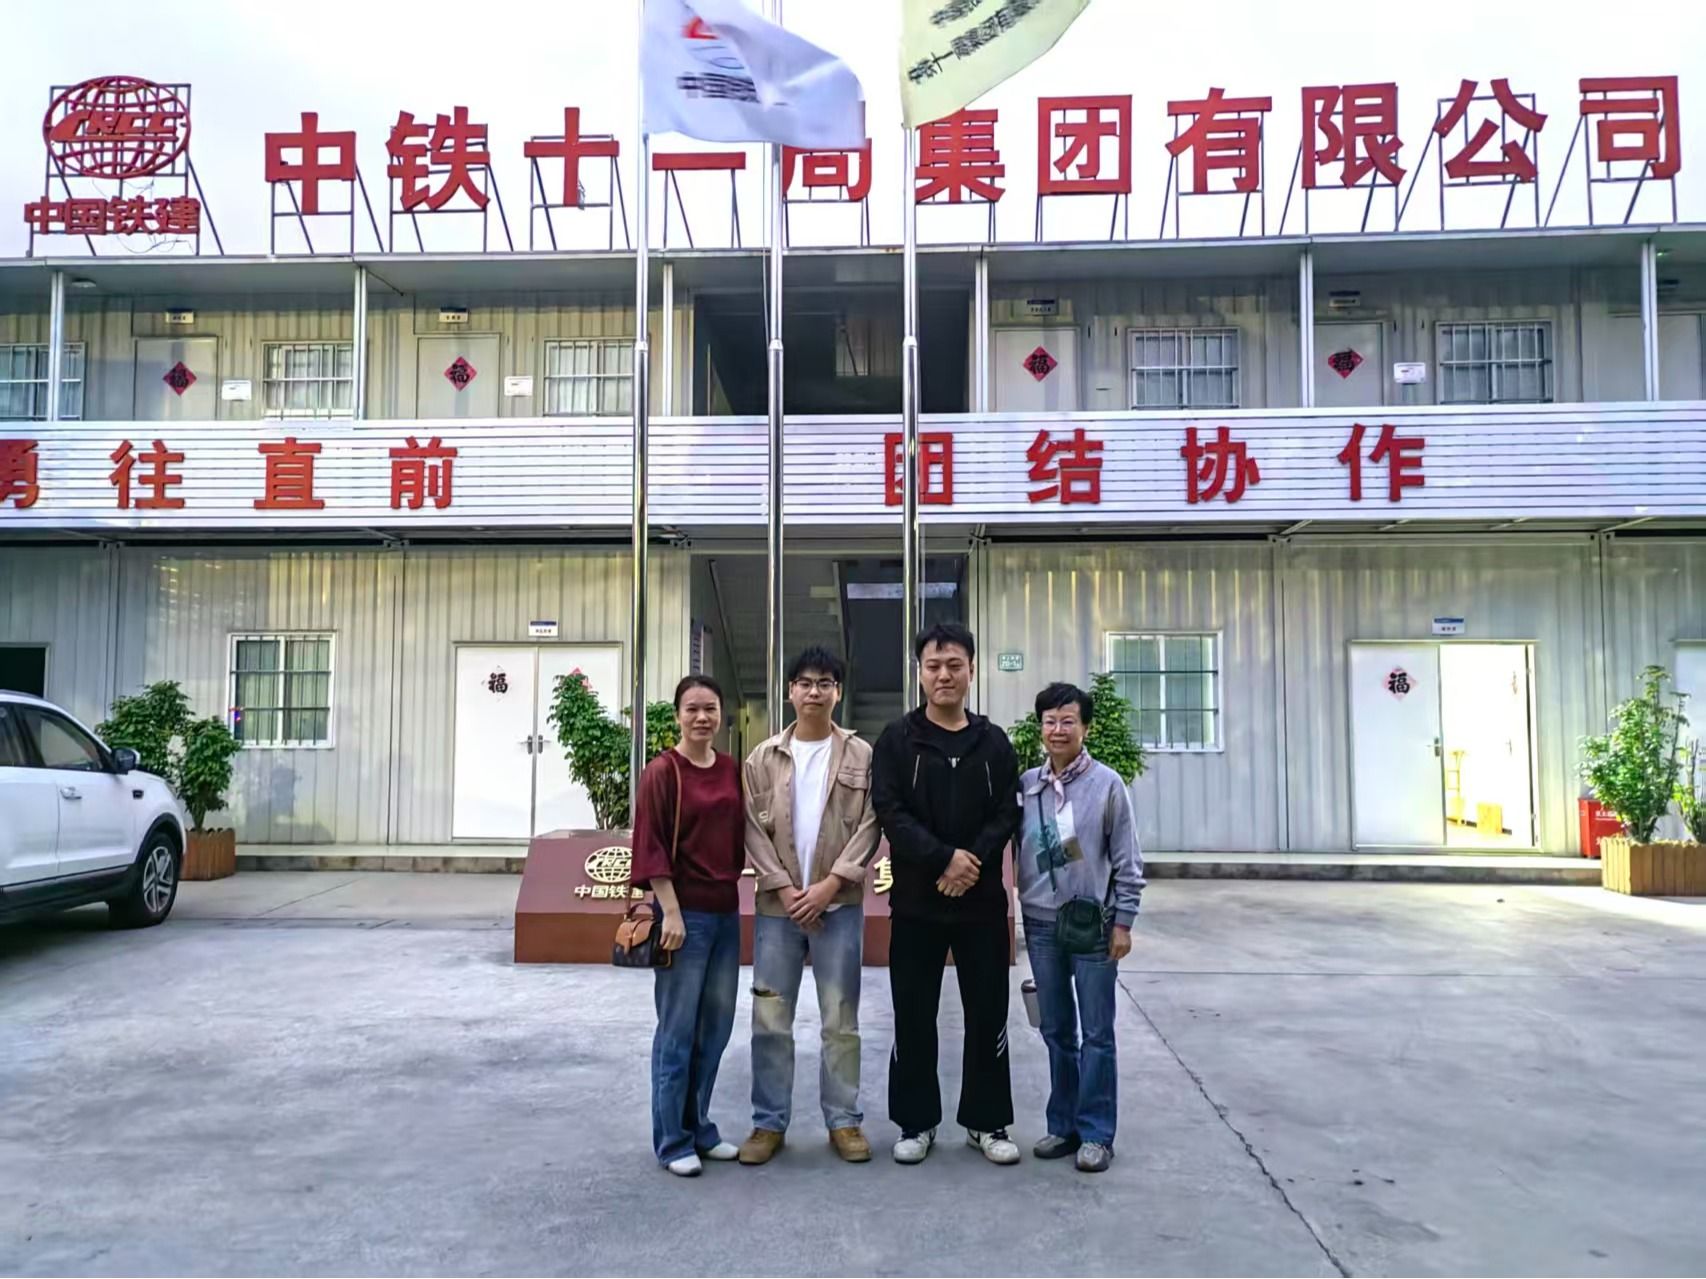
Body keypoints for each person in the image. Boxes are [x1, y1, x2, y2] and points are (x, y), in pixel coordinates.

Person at [871, 622, 1023, 1166]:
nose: (944, 675)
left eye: (954, 665)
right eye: (933, 666)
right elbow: (890, 811)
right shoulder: (897, 740)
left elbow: (1007, 811)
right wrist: (942, 859)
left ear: (972, 671)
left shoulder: (993, 741)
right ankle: (916, 1122)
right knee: (914, 1015)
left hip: (982, 905)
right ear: (919, 673)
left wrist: (969, 862)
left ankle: (987, 1121)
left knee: (988, 1013)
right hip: (917, 903)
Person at [737, 646, 881, 1166]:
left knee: (840, 1020)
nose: (814, 691)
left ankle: (844, 1121)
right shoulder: (762, 758)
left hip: (837, 908)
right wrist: (783, 887)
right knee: (770, 1019)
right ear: (790, 691)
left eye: (824, 683)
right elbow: (751, 829)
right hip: (778, 911)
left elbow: (871, 824)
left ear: (837, 692)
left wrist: (829, 885)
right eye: (804, 682)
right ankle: (767, 1123)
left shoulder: (861, 755)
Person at [1016, 681, 1145, 1173]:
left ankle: (1096, 1133)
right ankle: (1063, 1125)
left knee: (1096, 1032)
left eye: (1067, 721)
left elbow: (1128, 859)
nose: (1058, 729)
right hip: (1041, 924)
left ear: (1085, 727)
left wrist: (1123, 922)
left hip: (1094, 924)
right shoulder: (1027, 785)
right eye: (1049, 721)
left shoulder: (1107, 784)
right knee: (1055, 1029)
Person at [629, 674, 746, 1177]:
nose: (702, 717)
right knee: (677, 1031)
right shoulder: (663, 772)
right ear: (677, 715)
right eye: (692, 708)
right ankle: (672, 1140)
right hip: (684, 916)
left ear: (721, 714)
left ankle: (699, 1126)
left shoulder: (730, 769)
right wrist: (671, 912)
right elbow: (650, 844)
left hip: (726, 914)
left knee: (715, 1029)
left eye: (710, 708)